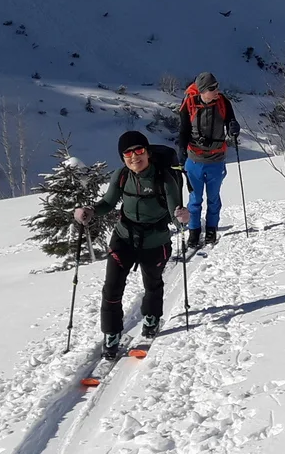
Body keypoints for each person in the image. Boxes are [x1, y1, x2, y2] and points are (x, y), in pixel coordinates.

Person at [73, 130, 188, 358]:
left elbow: (175, 213)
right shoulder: (121, 176)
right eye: (128, 153)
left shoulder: (164, 178)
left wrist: (182, 217)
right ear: (122, 157)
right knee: (112, 287)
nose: (134, 156)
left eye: (139, 150)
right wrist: (90, 211)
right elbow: (108, 202)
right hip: (124, 238)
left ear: (148, 152)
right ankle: (111, 333)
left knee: (152, 283)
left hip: (156, 241)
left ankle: (152, 317)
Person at [176, 71, 240, 249]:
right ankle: (194, 230)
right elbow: (183, 130)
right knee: (195, 198)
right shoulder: (189, 103)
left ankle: (211, 228)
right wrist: (181, 152)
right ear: (202, 91)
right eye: (212, 88)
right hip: (194, 159)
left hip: (216, 159)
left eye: (217, 86)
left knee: (213, 197)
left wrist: (234, 129)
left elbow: (231, 122)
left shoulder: (223, 102)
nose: (216, 90)